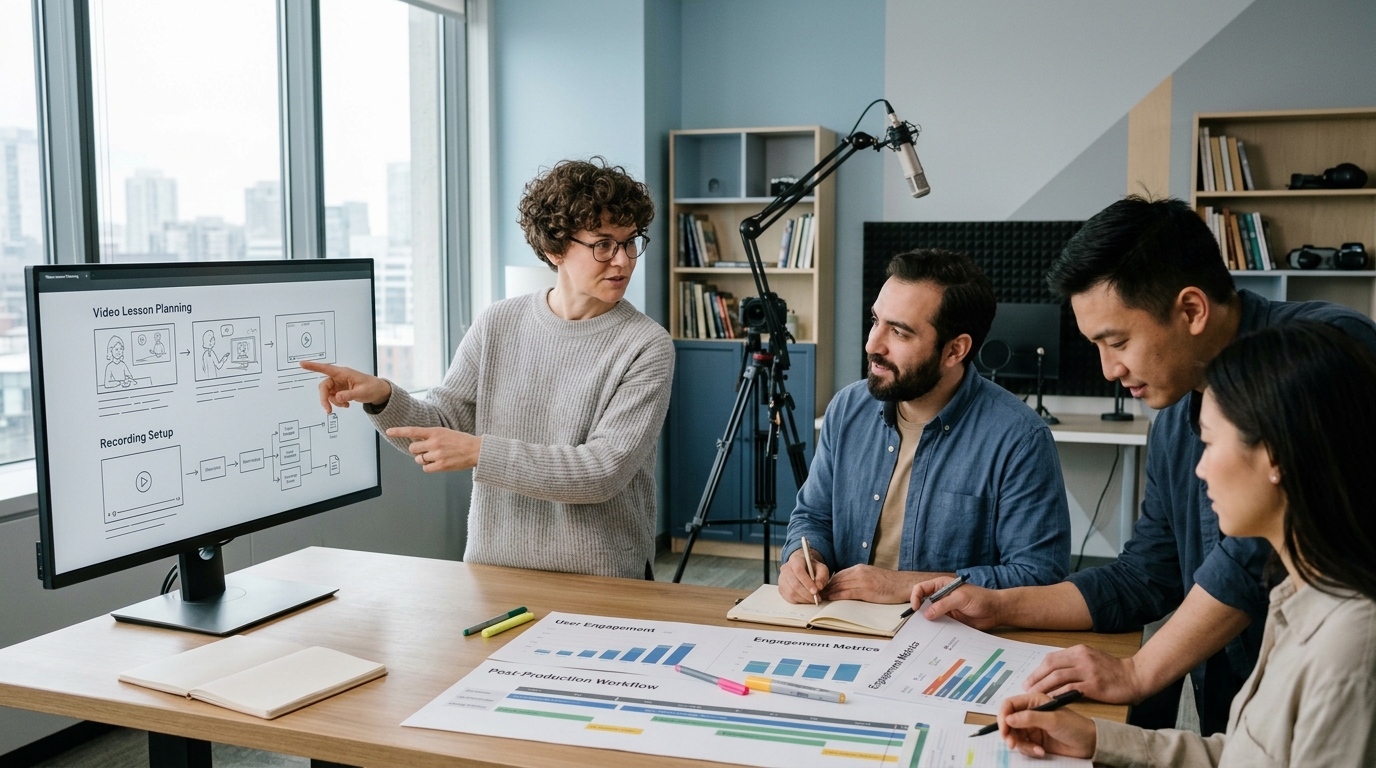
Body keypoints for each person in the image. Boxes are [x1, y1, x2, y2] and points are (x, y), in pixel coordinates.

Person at [909, 196, 1376, 733]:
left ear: (1191, 310)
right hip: (1238, 710)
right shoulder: (1174, 413)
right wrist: (1001, 605)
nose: (1109, 369)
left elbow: (1254, 553)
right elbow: (1147, 574)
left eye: (1118, 342)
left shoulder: (1327, 349)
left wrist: (1140, 670)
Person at [994, 322, 1376, 766]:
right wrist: (1098, 739)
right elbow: (1245, 756)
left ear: (1274, 456)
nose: (1199, 470)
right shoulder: (1297, 597)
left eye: (1210, 444)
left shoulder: (1348, 649)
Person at [303, 158, 674, 580]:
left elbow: (601, 472)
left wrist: (480, 452)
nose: (623, 260)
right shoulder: (498, 322)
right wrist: (383, 397)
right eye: (603, 245)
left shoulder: (647, 345)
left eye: (630, 242)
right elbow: (442, 426)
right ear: (554, 249)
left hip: (602, 577)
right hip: (492, 570)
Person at [778, 249, 1070, 605]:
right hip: (841, 621)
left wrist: (905, 585)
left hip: (946, 631)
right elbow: (812, 516)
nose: (872, 344)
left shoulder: (1020, 438)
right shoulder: (846, 409)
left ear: (955, 350)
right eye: (875, 321)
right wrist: (803, 557)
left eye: (899, 332)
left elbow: (1038, 576)